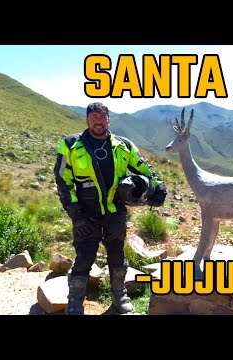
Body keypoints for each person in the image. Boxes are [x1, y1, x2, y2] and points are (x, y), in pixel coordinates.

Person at [53, 102, 167, 315]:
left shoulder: (123, 145)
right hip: (86, 213)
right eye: (94, 117)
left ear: (108, 120)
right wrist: (76, 214)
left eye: (102, 117)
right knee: (84, 257)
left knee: (117, 254)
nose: (98, 120)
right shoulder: (70, 145)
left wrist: (158, 186)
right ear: (87, 120)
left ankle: (119, 297)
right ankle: (75, 303)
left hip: (115, 211)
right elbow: (62, 180)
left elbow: (144, 167)